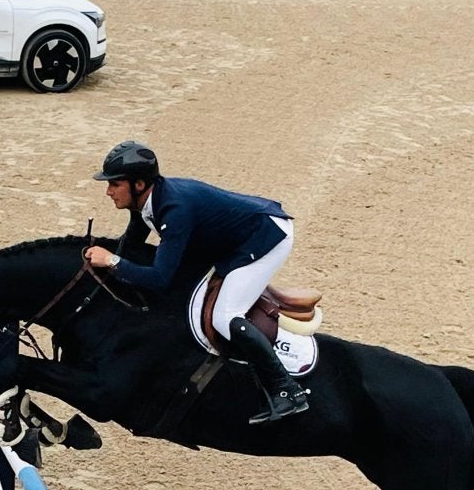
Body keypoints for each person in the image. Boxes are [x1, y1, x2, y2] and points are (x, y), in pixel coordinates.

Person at [85, 140, 310, 424]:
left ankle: (287, 390)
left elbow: (159, 278)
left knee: (224, 317)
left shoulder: (174, 209)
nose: (108, 191)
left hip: (266, 237)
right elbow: (130, 246)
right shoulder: (146, 202)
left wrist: (112, 263)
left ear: (139, 184)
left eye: (114, 184)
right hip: (233, 236)